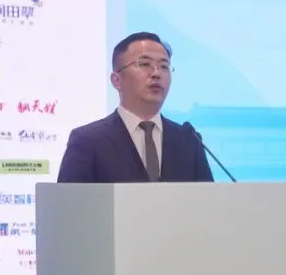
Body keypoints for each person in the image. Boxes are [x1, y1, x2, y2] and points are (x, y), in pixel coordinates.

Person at [56, 32, 214, 183]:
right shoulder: (88, 141)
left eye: (164, 66)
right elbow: (69, 201)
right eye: (144, 64)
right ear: (116, 80)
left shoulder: (189, 141)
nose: (156, 73)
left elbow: (208, 199)